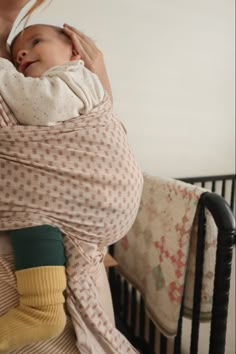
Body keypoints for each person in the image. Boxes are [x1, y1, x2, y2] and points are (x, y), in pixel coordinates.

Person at [0, 1, 143, 353]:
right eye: (18, 53)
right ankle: (43, 308)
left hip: (96, 204)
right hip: (65, 223)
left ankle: (42, 308)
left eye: (36, 43)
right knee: (33, 217)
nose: (22, 55)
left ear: (75, 51)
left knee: (32, 214)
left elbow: (39, 105)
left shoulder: (73, 78)